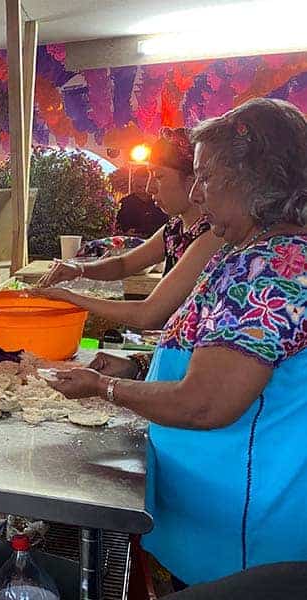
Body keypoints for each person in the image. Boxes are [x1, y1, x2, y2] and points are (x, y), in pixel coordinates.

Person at [49, 98, 307, 588]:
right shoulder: (250, 251)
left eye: (206, 176)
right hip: (219, 519)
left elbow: (203, 403)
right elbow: (230, 361)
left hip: (244, 542)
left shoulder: (271, 267)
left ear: (255, 175)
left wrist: (102, 387)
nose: (197, 192)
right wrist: (147, 366)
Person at [39, 128, 217, 287]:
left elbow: (149, 312)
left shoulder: (212, 233)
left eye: (159, 177)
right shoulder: (175, 229)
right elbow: (123, 264)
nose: (149, 188)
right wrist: (78, 269)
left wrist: (67, 297)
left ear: (193, 180)